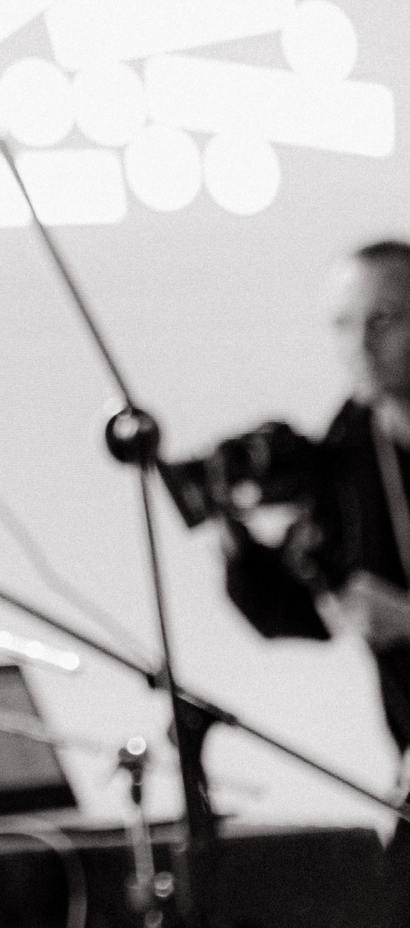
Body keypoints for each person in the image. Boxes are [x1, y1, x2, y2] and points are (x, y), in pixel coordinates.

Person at [218, 239, 410, 921]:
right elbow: (296, 613)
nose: (360, 342)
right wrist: (232, 525)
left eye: (384, 317)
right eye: (342, 322)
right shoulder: (352, 445)